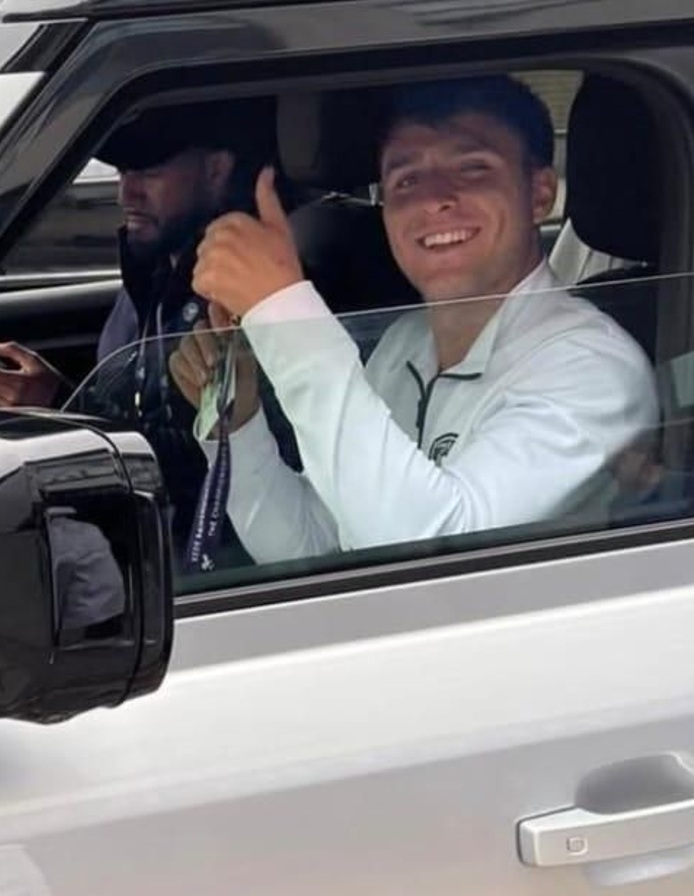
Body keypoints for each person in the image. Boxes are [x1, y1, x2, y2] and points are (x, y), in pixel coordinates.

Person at [171, 76, 659, 560]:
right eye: (406, 179)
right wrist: (239, 426)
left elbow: (433, 556)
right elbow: (316, 548)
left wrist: (284, 308)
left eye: (472, 169)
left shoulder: (593, 369)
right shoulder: (405, 345)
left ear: (538, 194)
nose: (433, 200)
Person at [0, 99, 294, 563]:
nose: (127, 193)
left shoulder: (252, 293)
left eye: (148, 170)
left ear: (217, 170)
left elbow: (219, 475)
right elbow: (150, 437)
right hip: (143, 553)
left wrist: (67, 418)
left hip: (216, 574)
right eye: (122, 172)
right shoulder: (153, 273)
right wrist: (61, 407)